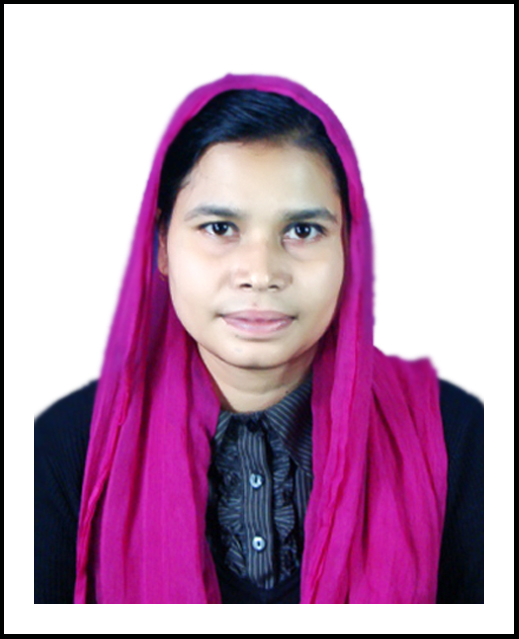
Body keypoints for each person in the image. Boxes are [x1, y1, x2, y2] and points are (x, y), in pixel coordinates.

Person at [34, 73, 483, 604]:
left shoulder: (455, 436)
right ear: (161, 244)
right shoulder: (68, 447)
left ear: (349, 246)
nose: (261, 273)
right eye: (220, 228)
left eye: (302, 231)